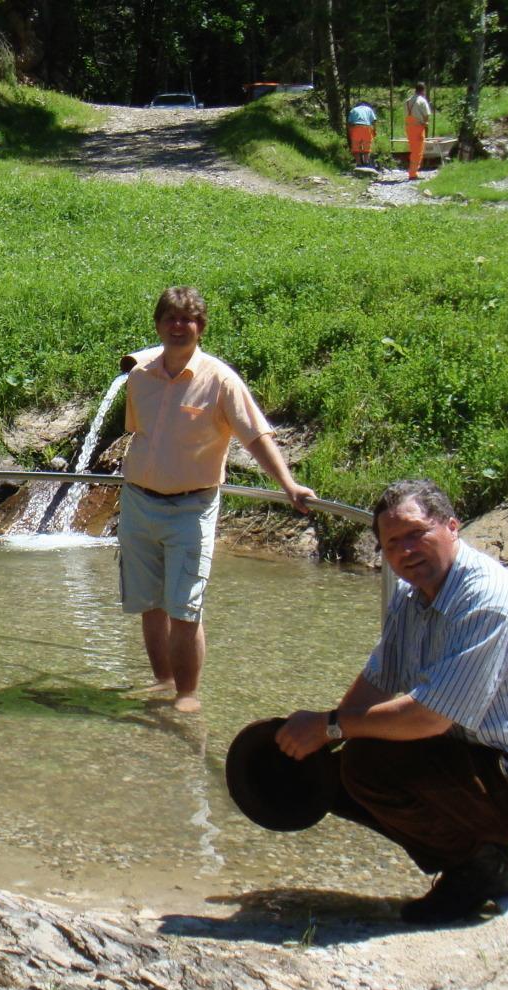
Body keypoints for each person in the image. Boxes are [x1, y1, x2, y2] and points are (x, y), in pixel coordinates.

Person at [274, 480, 508, 924]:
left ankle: (477, 869)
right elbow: (381, 678)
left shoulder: (487, 600)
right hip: (472, 758)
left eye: (416, 533)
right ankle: (482, 858)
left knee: (368, 762)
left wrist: (330, 725)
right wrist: (322, 740)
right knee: (333, 773)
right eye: (392, 543)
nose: (406, 550)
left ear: (452, 527)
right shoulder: (410, 596)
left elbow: (430, 718)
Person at [119, 286, 315, 713]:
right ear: (157, 324)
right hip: (137, 501)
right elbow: (140, 434)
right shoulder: (139, 377)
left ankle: (187, 697)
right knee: (149, 605)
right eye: (170, 317)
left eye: (187, 319)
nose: (177, 326)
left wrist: (288, 485)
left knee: (185, 608)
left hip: (191, 506)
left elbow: (255, 436)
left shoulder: (220, 380)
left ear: (200, 327)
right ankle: (162, 684)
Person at [405, 82, 432, 180]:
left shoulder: (407, 101)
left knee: (413, 150)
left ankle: (413, 171)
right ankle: (413, 173)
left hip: (409, 128)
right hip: (418, 128)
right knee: (418, 151)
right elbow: (427, 116)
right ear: (423, 90)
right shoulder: (422, 101)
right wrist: (426, 125)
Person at [347, 100, 378, 167]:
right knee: (367, 147)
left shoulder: (353, 110)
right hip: (367, 127)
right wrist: (374, 130)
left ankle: (358, 164)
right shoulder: (369, 109)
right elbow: (374, 121)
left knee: (356, 147)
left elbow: (349, 123)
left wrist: (350, 132)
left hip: (356, 127)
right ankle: (366, 163)